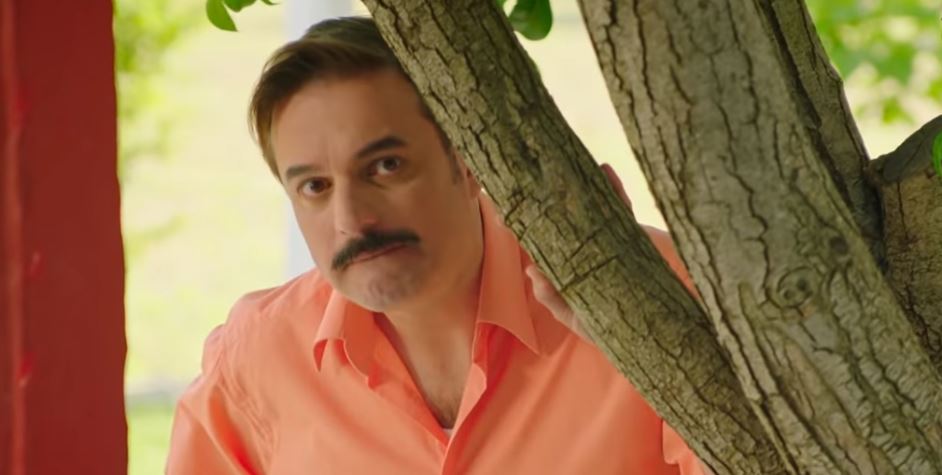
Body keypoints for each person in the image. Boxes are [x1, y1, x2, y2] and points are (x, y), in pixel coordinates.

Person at [167, 16, 708, 475]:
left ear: (469, 160)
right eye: (315, 187)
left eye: (386, 166)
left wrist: (657, 347)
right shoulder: (258, 359)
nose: (351, 220)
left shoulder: (653, 291)